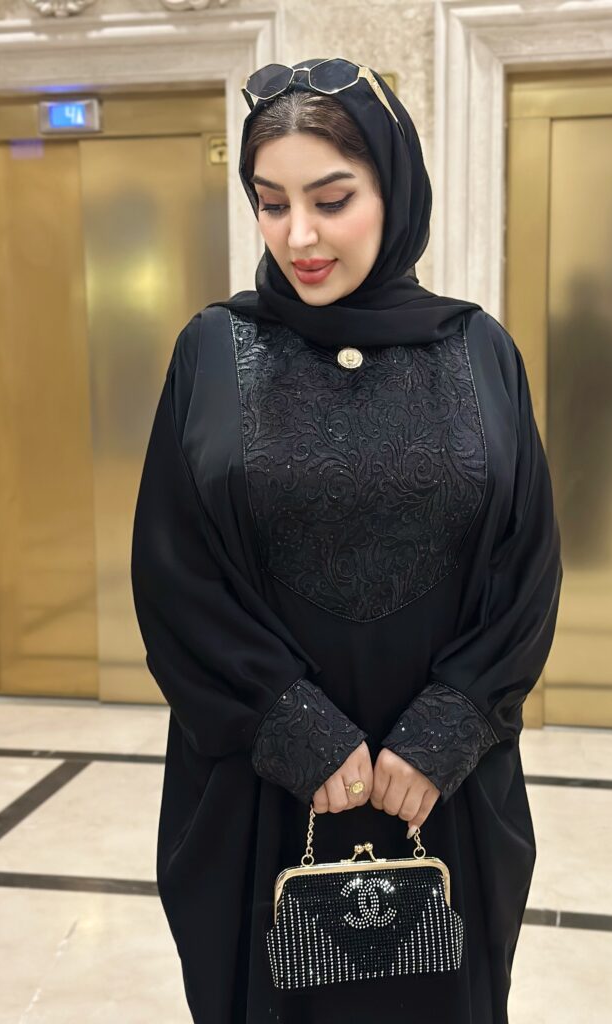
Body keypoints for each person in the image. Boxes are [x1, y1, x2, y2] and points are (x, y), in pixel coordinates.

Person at [130, 56, 563, 1024]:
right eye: (270, 202)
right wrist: (293, 726)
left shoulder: (478, 348)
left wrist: (450, 725)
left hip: (440, 787)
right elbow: (173, 567)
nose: (300, 236)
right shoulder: (213, 349)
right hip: (260, 779)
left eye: (332, 200)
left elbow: (527, 562)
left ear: (394, 191)